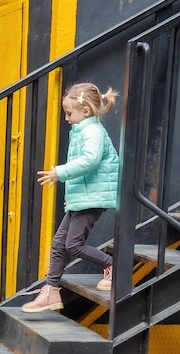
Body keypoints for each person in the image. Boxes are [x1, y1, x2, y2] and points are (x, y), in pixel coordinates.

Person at [21, 82, 119, 313]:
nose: (66, 118)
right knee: (58, 244)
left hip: (93, 198)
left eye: (68, 113)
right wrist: (73, 196)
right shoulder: (81, 131)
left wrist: (59, 173)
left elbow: (90, 161)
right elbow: (84, 170)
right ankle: (52, 291)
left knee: (72, 245)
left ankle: (112, 265)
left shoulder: (92, 131)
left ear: (85, 111)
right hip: (84, 197)